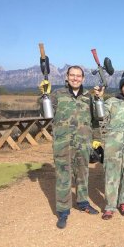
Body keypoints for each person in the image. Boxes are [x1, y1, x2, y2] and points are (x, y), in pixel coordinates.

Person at [42, 66, 99, 229]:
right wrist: (44, 95)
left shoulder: (89, 96)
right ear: (66, 77)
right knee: (63, 176)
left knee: (83, 174)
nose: (75, 78)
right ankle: (63, 211)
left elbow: (96, 120)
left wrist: (97, 140)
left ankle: (83, 203)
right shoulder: (57, 94)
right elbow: (44, 112)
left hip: (83, 143)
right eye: (72, 75)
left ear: (83, 78)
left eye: (78, 76)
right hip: (63, 143)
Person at [94, 71, 124, 220]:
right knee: (112, 177)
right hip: (113, 147)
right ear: (121, 87)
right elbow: (99, 116)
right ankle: (109, 207)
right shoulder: (111, 102)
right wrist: (99, 99)